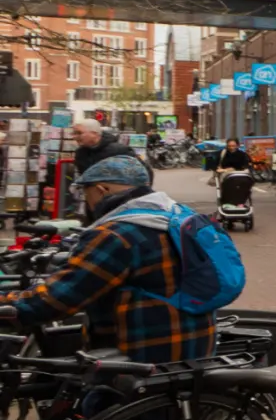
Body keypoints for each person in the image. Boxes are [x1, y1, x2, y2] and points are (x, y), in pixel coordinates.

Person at [0, 154, 214, 362]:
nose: (88, 203)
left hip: (143, 353)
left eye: (86, 194)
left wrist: (7, 303)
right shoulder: (178, 217)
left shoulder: (117, 234)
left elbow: (60, 298)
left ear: (101, 190)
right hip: (193, 344)